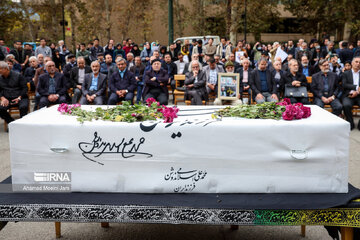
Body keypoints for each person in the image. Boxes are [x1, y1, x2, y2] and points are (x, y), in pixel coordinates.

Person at [342, 56, 360, 130]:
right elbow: (344, 84)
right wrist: (356, 87)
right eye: (356, 62)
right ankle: (350, 123)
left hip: (359, 95)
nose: (358, 64)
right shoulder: (346, 73)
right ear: (352, 63)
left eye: (359, 62)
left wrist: (357, 92)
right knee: (346, 105)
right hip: (348, 95)